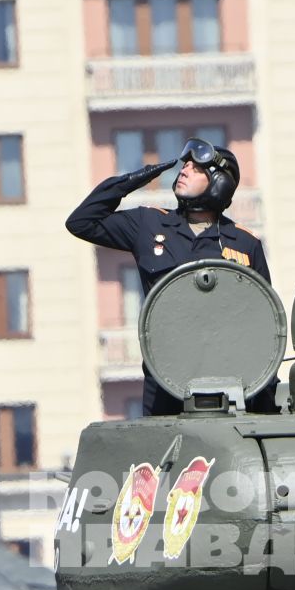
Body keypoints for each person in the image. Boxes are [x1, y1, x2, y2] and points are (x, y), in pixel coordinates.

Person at [65, 138, 273, 415]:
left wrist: (266, 398)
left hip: (230, 380)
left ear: (219, 184)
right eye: (184, 165)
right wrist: (132, 180)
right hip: (165, 379)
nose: (184, 170)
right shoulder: (149, 224)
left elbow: (265, 325)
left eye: (196, 168)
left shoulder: (245, 244)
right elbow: (81, 222)